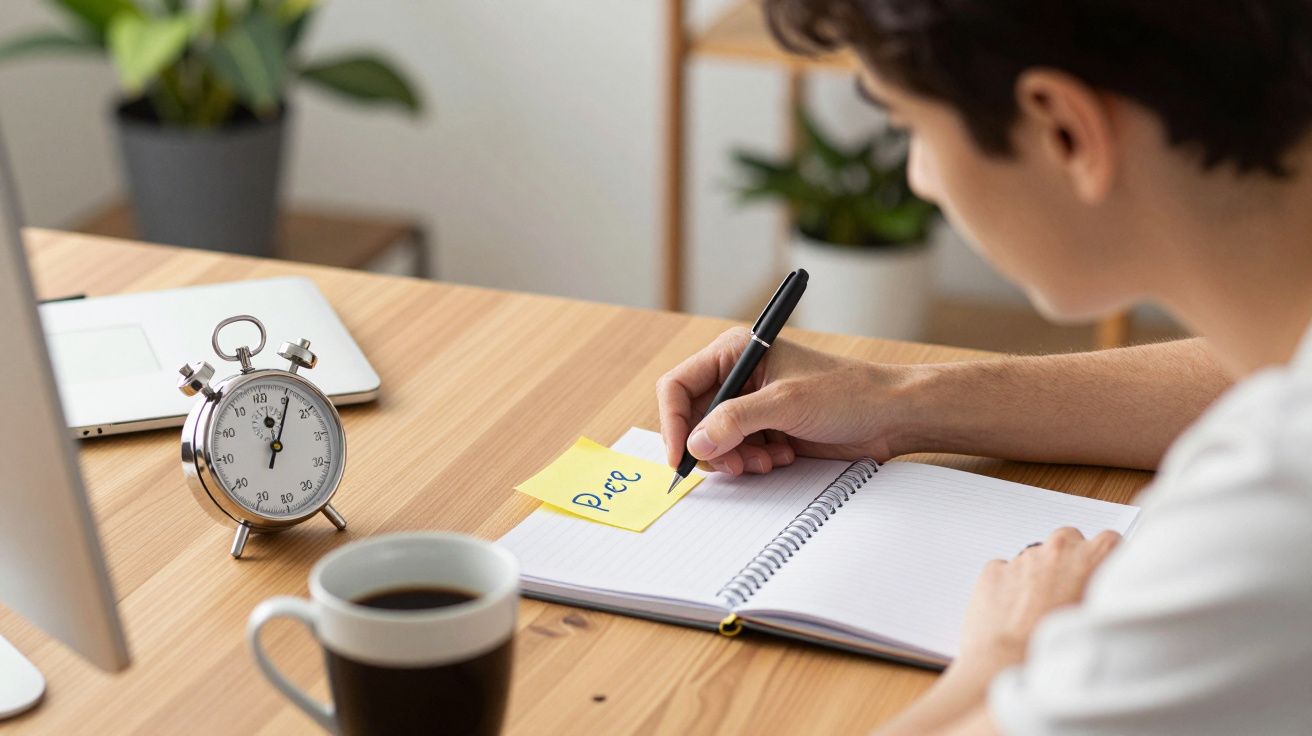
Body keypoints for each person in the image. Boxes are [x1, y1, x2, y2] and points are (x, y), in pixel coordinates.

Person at [656, 1, 1312, 733]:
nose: (922, 179)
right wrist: (897, 399)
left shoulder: (1262, 530)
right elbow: (1270, 377)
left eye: (912, 129)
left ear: (1062, 130)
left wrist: (1006, 655)